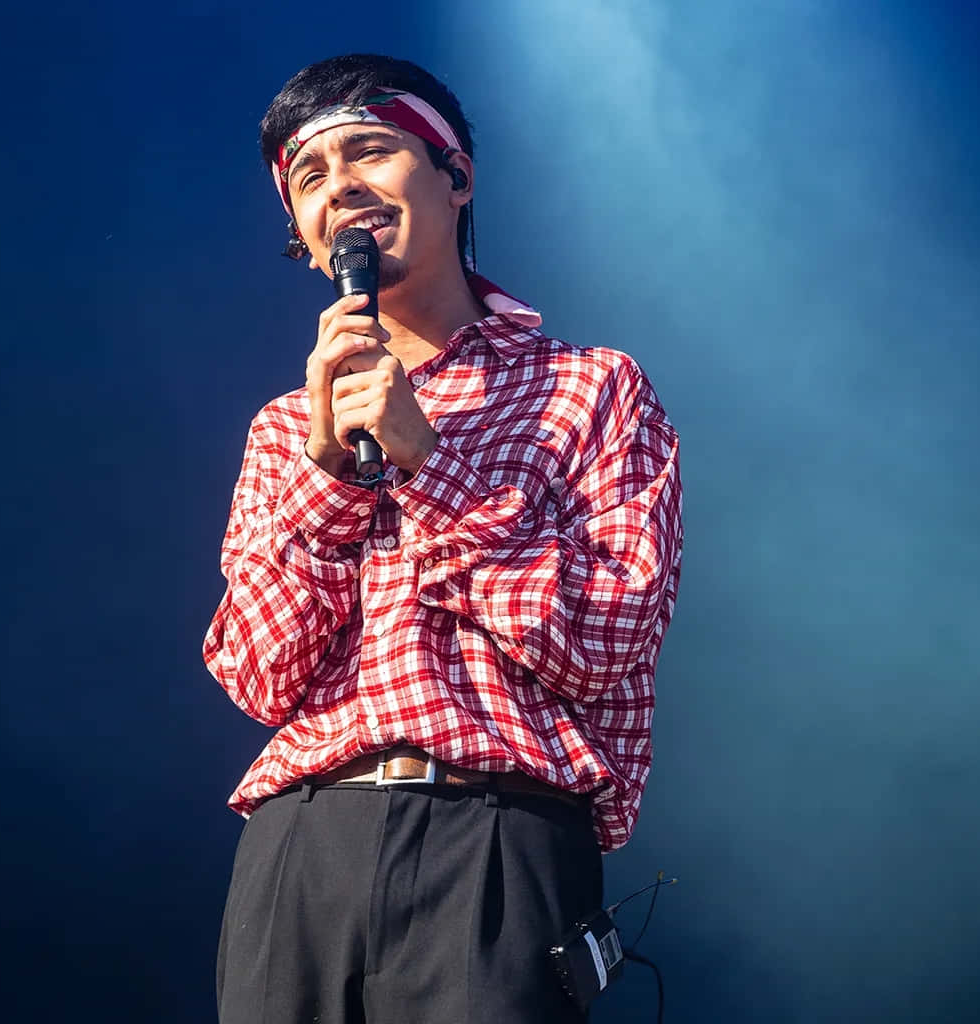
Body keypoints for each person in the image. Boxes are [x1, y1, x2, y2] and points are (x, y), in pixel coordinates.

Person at [205, 53, 683, 1023]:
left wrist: (430, 463)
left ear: (455, 176)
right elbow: (258, 676)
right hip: (301, 843)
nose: (341, 185)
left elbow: (602, 640)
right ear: (303, 236)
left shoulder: (590, 388)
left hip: (496, 833)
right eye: (310, 176)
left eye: (370, 151)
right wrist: (331, 481)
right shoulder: (282, 430)